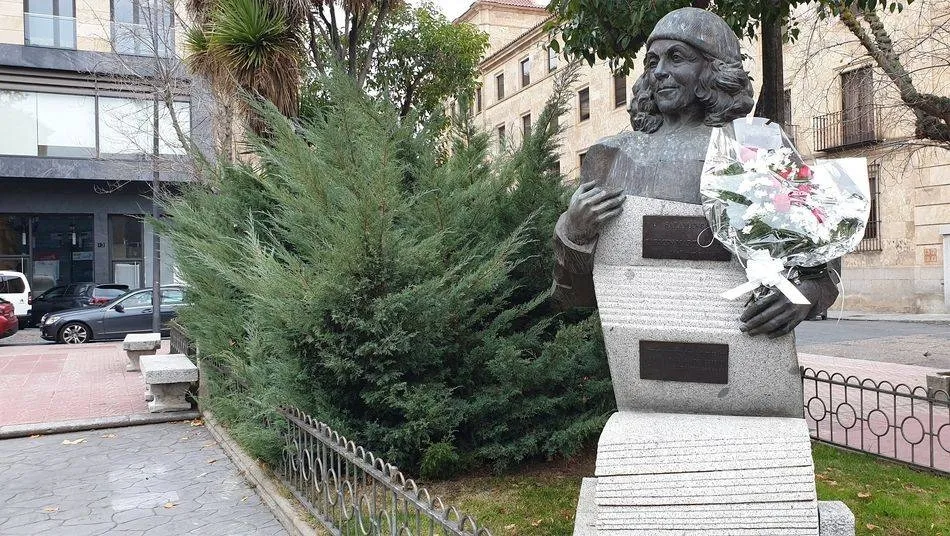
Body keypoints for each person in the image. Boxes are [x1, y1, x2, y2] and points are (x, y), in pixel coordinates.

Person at [552, 7, 839, 338]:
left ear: (713, 68)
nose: (659, 71)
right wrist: (573, 232)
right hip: (639, 347)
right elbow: (575, 296)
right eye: (652, 61)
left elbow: (822, 260)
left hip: (741, 347)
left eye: (677, 57)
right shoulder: (610, 155)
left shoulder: (759, 148)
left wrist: (803, 295)